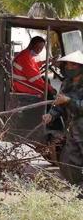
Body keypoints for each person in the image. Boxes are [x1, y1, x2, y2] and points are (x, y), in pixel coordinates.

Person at [42, 50, 83, 188]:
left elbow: (68, 102)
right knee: (68, 162)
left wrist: (69, 101)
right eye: (67, 65)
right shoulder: (66, 83)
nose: (69, 67)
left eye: (74, 65)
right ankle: (77, 189)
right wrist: (51, 115)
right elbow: (59, 103)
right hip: (73, 131)